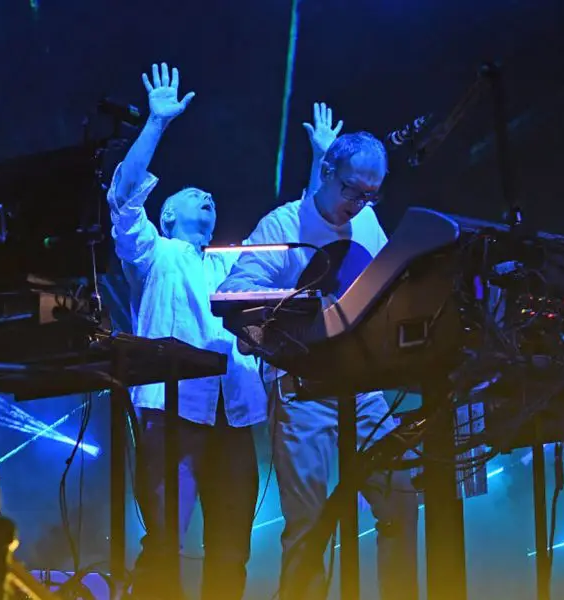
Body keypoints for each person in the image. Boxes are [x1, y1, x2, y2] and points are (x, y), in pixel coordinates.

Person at [106, 63, 344, 599]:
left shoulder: (233, 263)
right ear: (168, 215)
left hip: (235, 416)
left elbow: (303, 234)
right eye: (194, 195)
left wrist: (321, 162)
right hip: (172, 410)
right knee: (164, 542)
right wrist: (156, 123)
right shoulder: (155, 253)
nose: (207, 198)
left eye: (210, 196)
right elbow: (123, 198)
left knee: (232, 551)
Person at [218, 131, 420, 600]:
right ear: (327, 172)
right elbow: (234, 293)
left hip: (363, 388)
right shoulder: (282, 224)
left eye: (371, 194)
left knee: (401, 500)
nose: (360, 203)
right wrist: (296, 308)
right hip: (301, 389)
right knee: (309, 522)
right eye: (352, 190)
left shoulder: (368, 222)